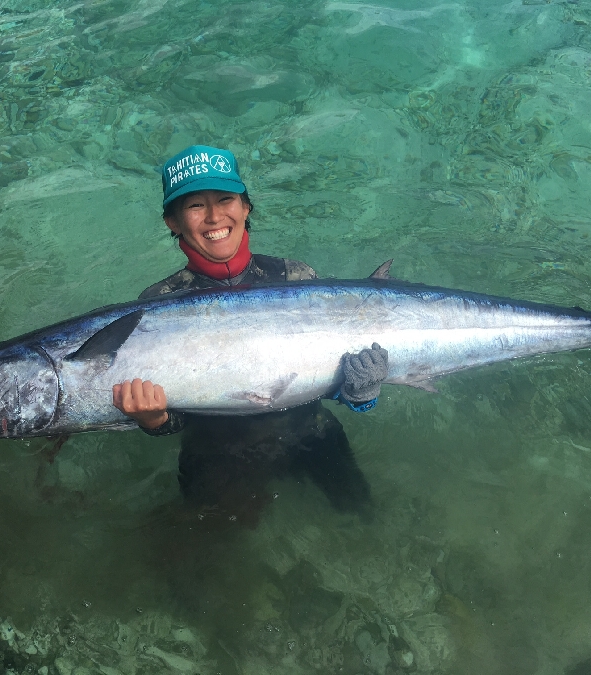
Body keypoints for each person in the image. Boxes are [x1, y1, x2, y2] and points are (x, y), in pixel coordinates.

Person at [111, 145, 387, 522]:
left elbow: (327, 368)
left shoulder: (295, 276)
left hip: (312, 434)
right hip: (220, 457)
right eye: (195, 206)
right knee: (215, 561)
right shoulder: (158, 304)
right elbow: (177, 413)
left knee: (363, 517)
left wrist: (359, 394)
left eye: (225, 199)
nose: (213, 217)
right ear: (172, 222)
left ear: (246, 209)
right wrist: (152, 420)